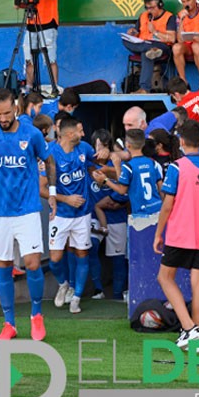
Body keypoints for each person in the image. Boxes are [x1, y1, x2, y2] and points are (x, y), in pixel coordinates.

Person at [0, 88, 56, 341]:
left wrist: (51, 191)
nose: (2, 118)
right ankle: (9, 323)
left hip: (27, 209)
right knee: (3, 267)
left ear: (16, 109)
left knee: (32, 263)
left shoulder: (31, 133)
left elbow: (49, 160)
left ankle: (36, 315)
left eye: (6, 112)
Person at [153, 120, 199, 350]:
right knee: (198, 280)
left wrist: (158, 233)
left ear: (181, 142)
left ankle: (189, 328)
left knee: (164, 278)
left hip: (180, 232)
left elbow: (167, 204)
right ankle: (194, 332)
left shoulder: (177, 167)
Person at [45, 118, 95, 314]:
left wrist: (102, 165)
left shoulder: (84, 148)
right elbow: (42, 188)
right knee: (55, 259)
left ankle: (76, 297)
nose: (83, 134)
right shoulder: (50, 154)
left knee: (82, 253)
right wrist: (65, 199)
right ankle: (63, 284)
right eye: (80, 131)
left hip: (83, 213)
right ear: (69, 134)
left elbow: (94, 164)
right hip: (61, 214)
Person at [87, 129, 127, 301]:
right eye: (98, 146)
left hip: (117, 216)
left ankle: (117, 296)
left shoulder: (118, 165)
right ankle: (98, 289)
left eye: (104, 146)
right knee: (91, 247)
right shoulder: (88, 163)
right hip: (95, 216)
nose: (100, 150)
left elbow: (126, 189)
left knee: (118, 259)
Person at [93, 129, 163, 218]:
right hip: (158, 209)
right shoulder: (153, 163)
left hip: (141, 213)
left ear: (127, 145)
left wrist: (105, 180)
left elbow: (122, 190)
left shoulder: (129, 167)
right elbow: (161, 188)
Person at [16, 0, 60, 93]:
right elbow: (20, 4)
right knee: (29, 58)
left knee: (50, 59)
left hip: (48, 23)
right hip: (31, 24)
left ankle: (54, 87)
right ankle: (29, 87)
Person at [122, 0, 176, 94]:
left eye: (151, 8)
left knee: (147, 54)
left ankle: (144, 89)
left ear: (160, 5)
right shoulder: (143, 16)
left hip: (162, 46)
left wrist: (155, 32)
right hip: (144, 44)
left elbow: (172, 39)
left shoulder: (169, 17)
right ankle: (151, 50)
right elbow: (137, 31)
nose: (149, 10)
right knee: (125, 41)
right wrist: (133, 32)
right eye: (147, 8)